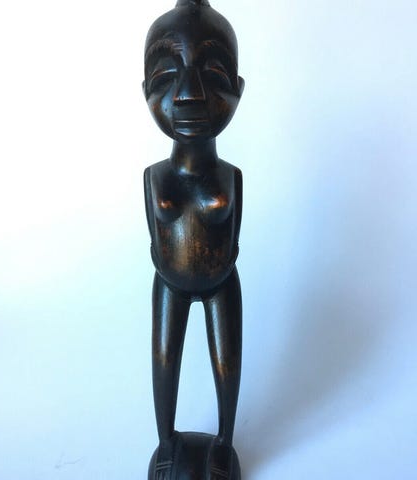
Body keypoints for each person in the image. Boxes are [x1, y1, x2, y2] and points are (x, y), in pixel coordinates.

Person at [143, 1, 245, 478]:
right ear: (145, 90)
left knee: (227, 367)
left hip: (222, 283)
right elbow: (155, 239)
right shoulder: (153, 177)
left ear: (238, 89)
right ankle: (167, 442)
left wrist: (219, 264)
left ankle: (223, 444)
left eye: (214, 72)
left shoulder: (231, 177)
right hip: (169, 283)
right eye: (166, 74)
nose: (188, 94)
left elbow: (233, 238)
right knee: (165, 362)